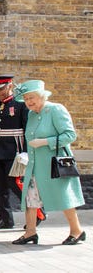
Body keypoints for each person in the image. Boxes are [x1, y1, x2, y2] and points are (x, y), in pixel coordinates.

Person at [12, 80, 86, 245]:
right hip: (35, 165)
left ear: (42, 96)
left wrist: (45, 142)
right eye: (26, 99)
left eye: (32, 98)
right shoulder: (31, 114)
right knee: (30, 198)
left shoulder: (55, 110)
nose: (29, 102)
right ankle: (30, 232)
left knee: (63, 196)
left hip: (54, 165)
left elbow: (70, 135)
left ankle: (77, 231)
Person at [0, 75, 44, 229]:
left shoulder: (20, 105)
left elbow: (28, 130)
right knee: (1, 188)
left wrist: (26, 151)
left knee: (17, 184)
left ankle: (39, 213)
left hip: (16, 152)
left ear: (10, 86)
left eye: (1, 89)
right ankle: (6, 219)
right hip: (0, 151)